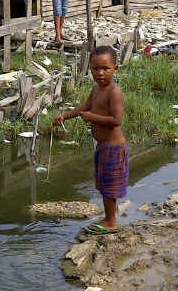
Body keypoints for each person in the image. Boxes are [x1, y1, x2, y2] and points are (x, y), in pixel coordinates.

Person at [53, 45, 128, 235]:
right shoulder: (96, 89)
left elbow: (116, 121)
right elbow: (83, 107)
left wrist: (92, 117)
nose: (100, 73)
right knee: (103, 184)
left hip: (114, 147)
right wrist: (65, 116)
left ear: (115, 69)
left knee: (110, 185)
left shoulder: (114, 92)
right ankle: (108, 217)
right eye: (96, 69)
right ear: (90, 69)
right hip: (102, 146)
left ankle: (111, 221)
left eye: (105, 69)